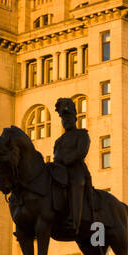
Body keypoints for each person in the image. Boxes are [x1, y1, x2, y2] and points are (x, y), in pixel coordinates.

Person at [51, 97, 92, 235]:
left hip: (76, 170)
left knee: (76, 184)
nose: (66, 121)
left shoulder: (82, 135)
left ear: (75, 119)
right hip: (60, 171)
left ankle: (74, 221)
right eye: (64, 119)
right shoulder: (59, 140)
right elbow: (56, 156)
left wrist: (66, 159)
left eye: (68, 119)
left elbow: (81, 152)